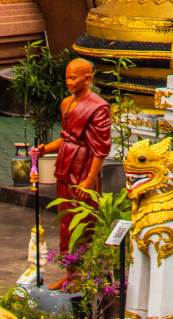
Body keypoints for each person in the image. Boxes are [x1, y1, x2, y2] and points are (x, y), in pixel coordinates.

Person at [41, 57, 111, 259]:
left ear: (87, 79)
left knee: (83, 219)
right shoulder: (66, 103)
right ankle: (69, 271)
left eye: (73, 78)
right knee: (65, 218)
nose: (69, 82)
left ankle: (82, 273)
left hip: (84, 168)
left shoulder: (98, 108)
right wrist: (46, 148)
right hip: (65, 165)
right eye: (67, 78)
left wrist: (89, 180)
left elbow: (100, 150)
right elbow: (67, 138)